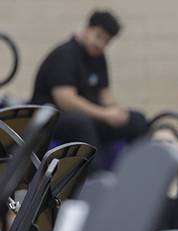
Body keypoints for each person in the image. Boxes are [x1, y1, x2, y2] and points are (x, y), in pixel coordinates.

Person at [31, 10, 147, 153]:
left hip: (87, 116)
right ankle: (95, 174)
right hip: (53, 119)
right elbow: (66, 102)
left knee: (137, 120)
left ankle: (135, 170)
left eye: (106, 41)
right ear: (87, 29)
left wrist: (117, 110)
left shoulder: (98, 57)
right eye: (98, 36)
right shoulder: (64, 55)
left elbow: (104, 94)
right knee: (82, 123)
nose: (101, 44)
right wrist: (105, 114)